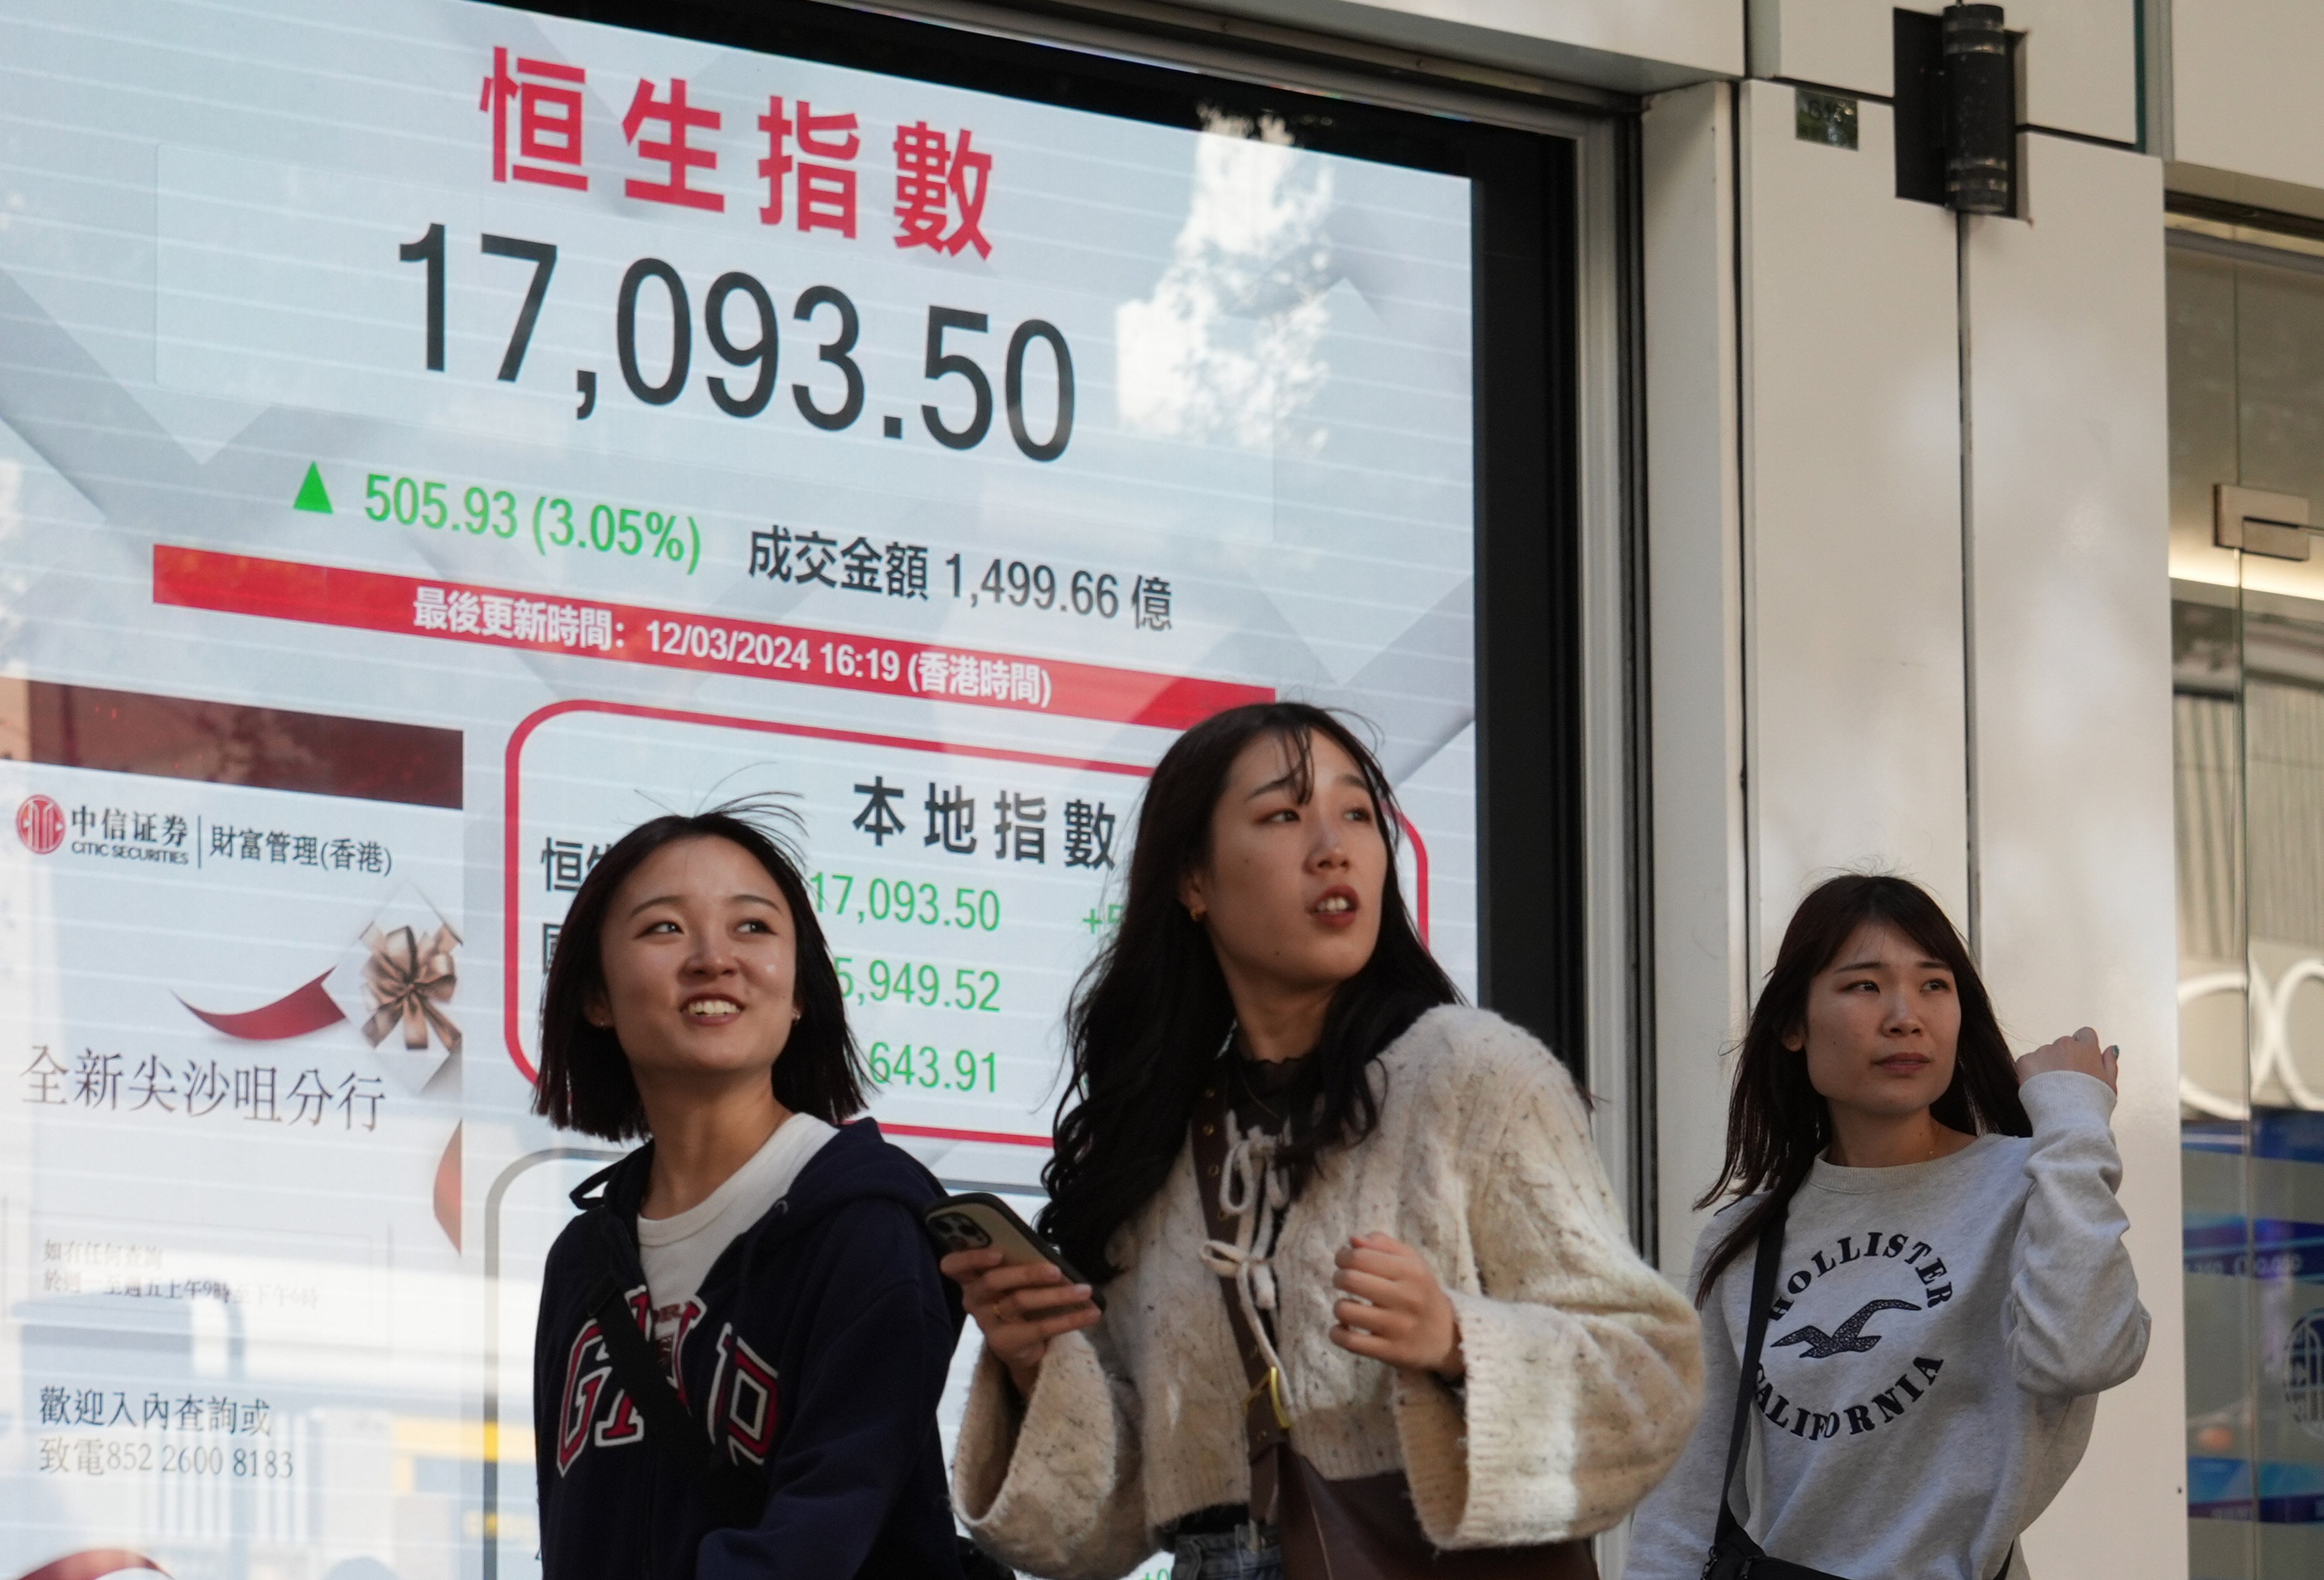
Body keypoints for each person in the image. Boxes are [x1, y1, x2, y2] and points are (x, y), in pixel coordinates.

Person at [944, 702, 1703, 1579]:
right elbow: (1101, 1531)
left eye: (1355, 814)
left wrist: (1459, 1341)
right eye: (1282, 815)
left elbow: (1651, 1383)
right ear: (1193, 881)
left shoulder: (1475, 1075)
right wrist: (1040, 1368)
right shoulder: (1151, 1146)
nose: (1333, 846)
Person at [1626, 874, 2150, 1580]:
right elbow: (1684, 1502)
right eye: (1864, 986)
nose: (1905, 1015)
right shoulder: (1746, 1237)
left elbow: (2085, 1354)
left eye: (1934, 985)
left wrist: (2074, 1121)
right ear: (1792, 1025)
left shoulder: (2033, 1183)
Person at [530, 804, 966, 1580]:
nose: (713, 959)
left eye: (754, 928)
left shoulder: (869, 1221)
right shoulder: (582, 1260)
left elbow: (828, 1528)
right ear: (596, 997)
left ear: (800, 992)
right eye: (664, 929)